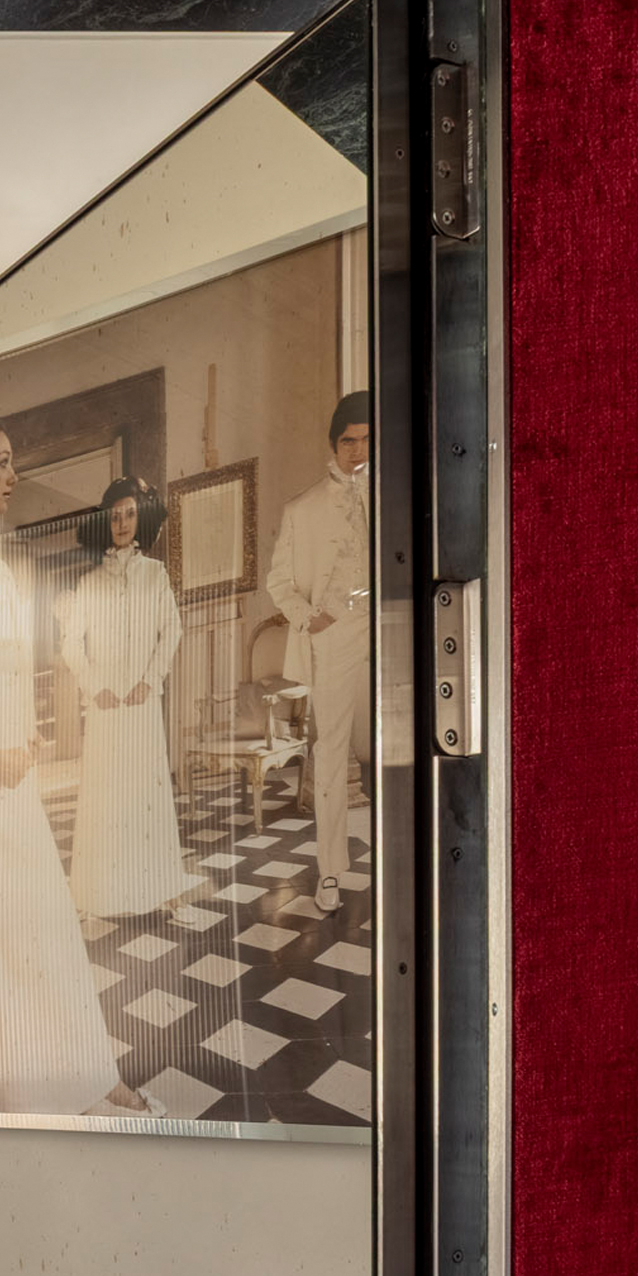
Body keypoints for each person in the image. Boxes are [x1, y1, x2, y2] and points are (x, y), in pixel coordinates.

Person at [0, 408, 159, 1118]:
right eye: (4, 462)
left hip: (11, 783)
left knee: (44, 933)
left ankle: (85, 1075)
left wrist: (27, 739)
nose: (15, 475)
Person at [57, 476, 190, 921]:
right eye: (115, 516)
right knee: (105, 798)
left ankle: (164, 891)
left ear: (141, 519)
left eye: (130, 514)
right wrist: (96, 688)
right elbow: (71, 645)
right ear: (105, 522)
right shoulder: (90, 582)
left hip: (142, 704)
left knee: (147, 795)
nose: (122, 523)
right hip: (105, 709)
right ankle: (96, 896)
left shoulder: (155, 575)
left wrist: (149, 681)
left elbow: (171, 631)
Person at [265, 390, 372, 913]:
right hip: (336, 636)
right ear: (334, 444)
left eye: (367, 440)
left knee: (397, 746)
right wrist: (312, 618)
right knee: (330, 754)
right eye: (348, 441)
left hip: (391, 629)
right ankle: (329, 872)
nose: (358, 451)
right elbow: (278, 583)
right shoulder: (302, 508)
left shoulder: (397, 494)